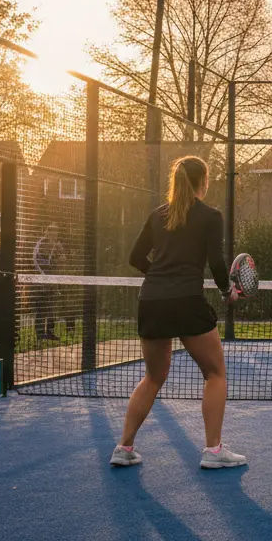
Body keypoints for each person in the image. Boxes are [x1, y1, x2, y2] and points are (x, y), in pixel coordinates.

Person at [111, 156, 246, 470]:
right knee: (215, 373)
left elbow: (135, 257)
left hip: (152, 301)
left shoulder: (158, 216)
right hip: (186, 301)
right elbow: (216, 263)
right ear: (204, 182)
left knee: (153, 377)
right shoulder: (211, 216)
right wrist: (228, 292)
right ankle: (213, 451)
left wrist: (159, 275)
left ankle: (124, 447)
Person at [33, 223, 73, 340]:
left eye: (56, 231)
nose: (54, 234)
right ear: (46, 232)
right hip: (42, 280)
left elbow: (63, 259)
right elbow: (38, 261)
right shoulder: (42, 244)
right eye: (51, 231)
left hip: (54, 280)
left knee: (51, 308)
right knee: (42, 308)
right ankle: (40, 334)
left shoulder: (57, 245)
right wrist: (45, 276)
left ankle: (49, 332)